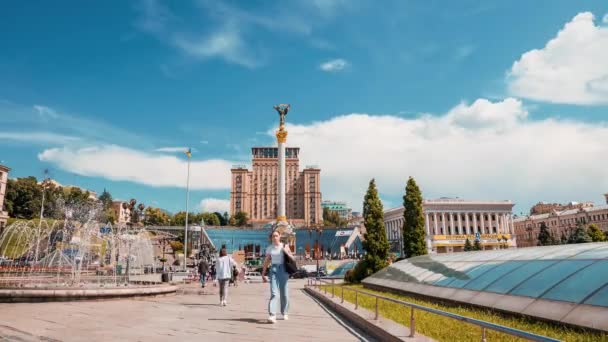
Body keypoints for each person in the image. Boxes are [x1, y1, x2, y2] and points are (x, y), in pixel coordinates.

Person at [262, 230, 292, 323]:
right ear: (271, 238)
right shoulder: (269, 248)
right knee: (274, 293)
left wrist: (287, 252)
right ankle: (272, 315)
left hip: (283, 270)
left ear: (280, 236)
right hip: (273, 270)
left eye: (276, 236)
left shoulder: (284, 246)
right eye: (273, 236)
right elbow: (267, 261)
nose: (274, 237)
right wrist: (263, 273)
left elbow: (292, 258)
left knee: (284, 293)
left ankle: (285, 312)